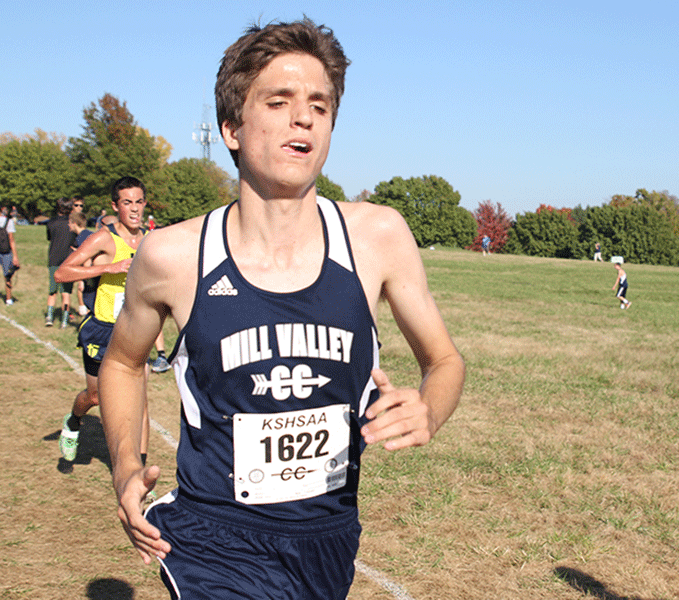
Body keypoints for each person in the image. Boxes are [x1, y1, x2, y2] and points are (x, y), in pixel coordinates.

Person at [99, 19, 465, 600]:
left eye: (320, 105)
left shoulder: (377, 237)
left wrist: (430, 410)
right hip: (213, 537)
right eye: (280, 101)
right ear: (232, 128)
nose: (305, 117)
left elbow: (444, 361)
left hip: (329, 538)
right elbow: (121, 363)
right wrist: (124, 465)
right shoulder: (173, 254)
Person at [55, 177, 151, 462]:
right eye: (127, 203)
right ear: (115, 206)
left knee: (140, 401)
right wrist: (111, 267)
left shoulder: (149, 240)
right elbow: (62, 273)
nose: (134, 209)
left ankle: (139, 472)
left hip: (133, 330)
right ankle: (73, 421)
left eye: (139, 202)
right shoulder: (103, 239)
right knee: (95, 397)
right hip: (102, 329)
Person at [40, 198, 77, 327]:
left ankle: (49, 317)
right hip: (69, 261)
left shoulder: (51, 223)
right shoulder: (72, 223)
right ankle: (65, 321)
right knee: (66, 293)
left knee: (52, 291)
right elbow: (75, 241)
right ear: (70, 209)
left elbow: (49, 238)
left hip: (54, 259)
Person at [0, 206, 20, 305]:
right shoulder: (9, 221)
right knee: (7, 276)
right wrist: (15, 256)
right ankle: (8, 299)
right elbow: (11, 239)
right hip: (5, 251)